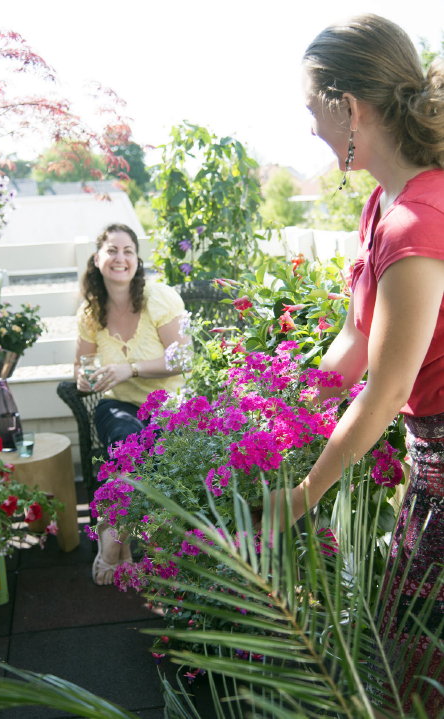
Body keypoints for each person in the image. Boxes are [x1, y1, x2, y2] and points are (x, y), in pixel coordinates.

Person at [272, 14, 444, 714]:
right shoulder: (383, 204)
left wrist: (302, 494)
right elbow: (352, 343)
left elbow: (386, 389)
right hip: (427, 464)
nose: (309, 126)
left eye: (312, 107)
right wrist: (273, 403)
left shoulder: (419, 222)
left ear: (350, 107)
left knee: (416, 666)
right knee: (404, 657)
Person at [75, 222, 189, 585]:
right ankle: (123, 537)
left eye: (128, 251)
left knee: (151, 444)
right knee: (126, 441)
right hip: (117, 405)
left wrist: (131, 369)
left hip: (166, 403)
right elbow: (81, 368)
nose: (120, 258)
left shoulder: (159, 298)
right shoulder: (90, 312)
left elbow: (183, 358)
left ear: (137, 260)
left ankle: (113, 536)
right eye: (112, 250)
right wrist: (84, 378)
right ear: (98, 259)